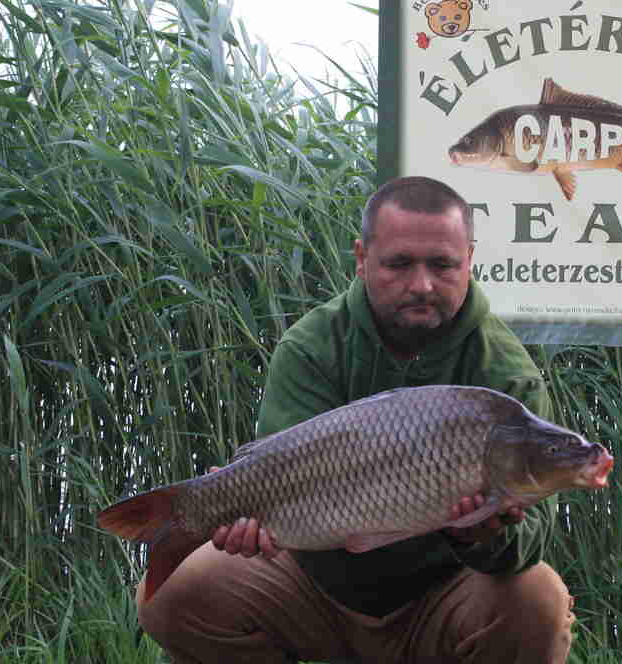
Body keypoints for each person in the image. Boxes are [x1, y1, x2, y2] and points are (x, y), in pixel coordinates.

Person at [136, 176, 576, 663]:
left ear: (469, 260)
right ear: (362, 258)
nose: (422, 284)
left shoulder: (507, 376)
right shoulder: (312, 347)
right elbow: (277, 478)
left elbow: (532, 540)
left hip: (447, 594)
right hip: (314, 585)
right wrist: (242, 516)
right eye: (399, 264)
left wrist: (481, 533)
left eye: (442, 265)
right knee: (174, 593)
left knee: (539, 601)